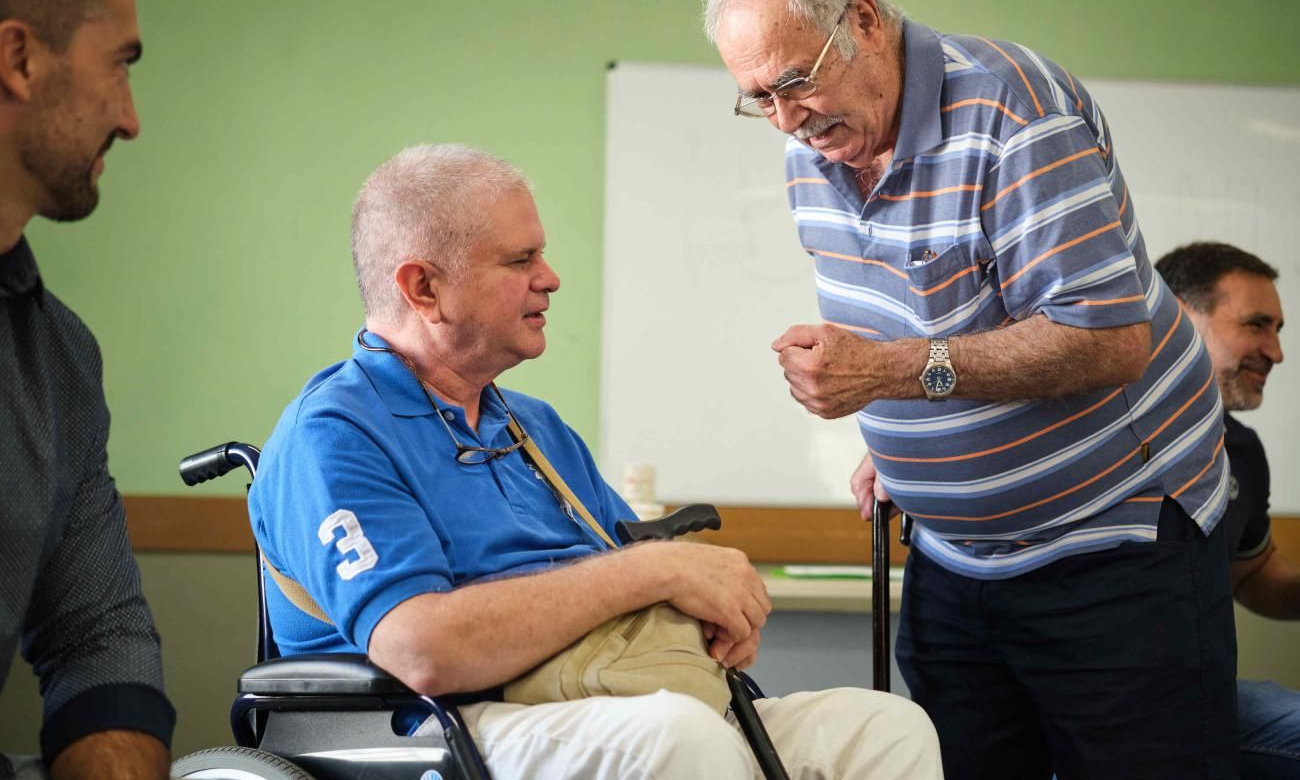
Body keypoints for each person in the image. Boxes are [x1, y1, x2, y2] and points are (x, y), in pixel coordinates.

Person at [705, 0, 1233, 779]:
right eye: (757, 97)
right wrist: (907, 453)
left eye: (796, 80)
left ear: (866, 20)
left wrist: (889, 376)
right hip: (953, 560)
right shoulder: (815, 152)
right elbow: (915, 308)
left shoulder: (1014, 111)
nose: (786, 120)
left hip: (1111, 548)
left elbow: (1106, 337)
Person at [250, 143, 942, 780]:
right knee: (678, 738)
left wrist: (707, 604)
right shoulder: (333, 434)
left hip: (602, 692)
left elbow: (631, 579)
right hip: (430, 726)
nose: (549, 279)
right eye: (520, 261)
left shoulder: (534, 429)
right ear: (423, 288)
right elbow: (422, 649)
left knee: (886, 729)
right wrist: (653, 569)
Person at [0, 0, 174, 779]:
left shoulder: (58, 360)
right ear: (19, 59)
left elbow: (98, 642)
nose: (132, 120)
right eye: (122, 64)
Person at [1156, 241, 1299, 777]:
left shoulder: (1240, 450)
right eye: (1257, 325)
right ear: (1178, 316)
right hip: (1092, 705)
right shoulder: (1096, 430)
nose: (1277, 352)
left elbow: (1252, 571)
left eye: (1278, 330)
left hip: (1200, 699)